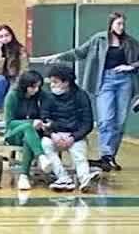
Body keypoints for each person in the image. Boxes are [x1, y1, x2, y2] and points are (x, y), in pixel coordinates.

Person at [44, 11, 139, 172]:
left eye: (123, 24)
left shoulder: (130, 42)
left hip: (125, 81)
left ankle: (109, 157)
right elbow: (80, 52)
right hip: (105, 81)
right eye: (118, 24)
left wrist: (130, 66)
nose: (121, 27)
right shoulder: (99, 39)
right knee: (105, 119)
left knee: (119, 122)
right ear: (111, 24)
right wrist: (59, 56)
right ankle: (105, 155)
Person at [40, 65, 100, 193]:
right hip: (54, 135)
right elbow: (44, 119)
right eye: (51, 82)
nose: (52, 85)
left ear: (66, 82)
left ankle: (85, 180)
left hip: (74, 135)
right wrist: (53, 134)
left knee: (79, 154)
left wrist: (73, 137)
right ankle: (63, 177)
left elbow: (87, 123)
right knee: (46, 145)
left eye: (55, 82)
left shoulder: (81, 96)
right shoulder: (48, 97)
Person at [2, 70, 49, 191]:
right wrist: (31, 122)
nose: (36, 90)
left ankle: (24, 177)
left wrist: (44, 121)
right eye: (33, 87)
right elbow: (9, 122)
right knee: (28, 128)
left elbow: (46, 112)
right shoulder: (12, 96)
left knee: (28, 138)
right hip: (13, 133)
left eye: (38, 87)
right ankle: (41, 156)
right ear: (25, 86)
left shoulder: (40, 96)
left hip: (33, 135)